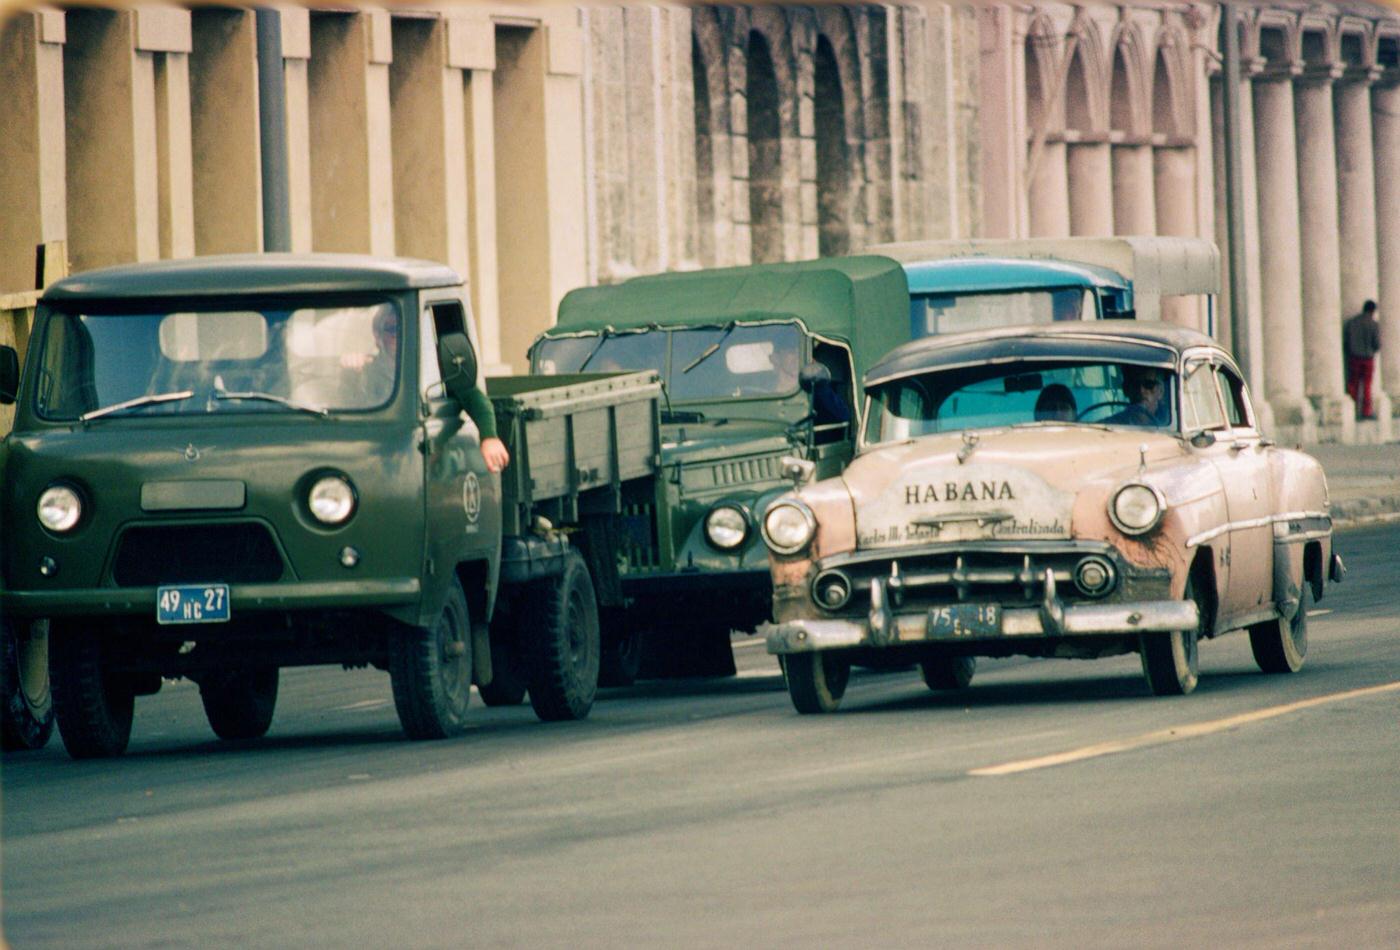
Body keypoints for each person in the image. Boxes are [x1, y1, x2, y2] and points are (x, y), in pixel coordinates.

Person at [343, 310, 510, 472]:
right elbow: (346, 409)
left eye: (404, 329)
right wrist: (350, 373)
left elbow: (472, 395)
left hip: (420, 454)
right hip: (378, 454)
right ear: (378, 337)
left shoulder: (432, 368)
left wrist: (489, 437)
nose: (399, 336)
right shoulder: (366, 372)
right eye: (392, 330)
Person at [1344, 299, 1381, 421]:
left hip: (1354, 357)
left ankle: (1351, 410)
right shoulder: (1373, 324)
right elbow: (1377, 344)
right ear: (1372, 311)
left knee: (1353, 384)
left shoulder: (1352, 323)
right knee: (1367, 385)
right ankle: (1366, 412)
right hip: (1367, 359)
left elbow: (1347, 341)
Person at [1105, 366, 1170, 428]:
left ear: (1161, 391)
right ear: (1126, 389)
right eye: (1135, 384)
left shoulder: (1171, 424)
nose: (1141, 390)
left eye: (1149, 384)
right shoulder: (1109, 425)